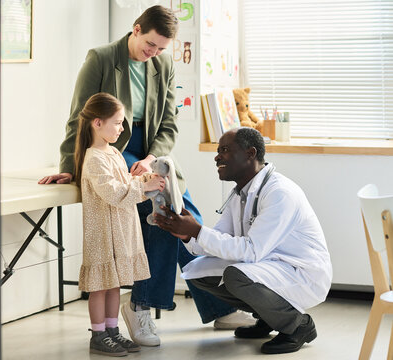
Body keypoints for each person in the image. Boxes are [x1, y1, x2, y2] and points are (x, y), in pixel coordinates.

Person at [39, 5, 254, 346]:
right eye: (150, 45)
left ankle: (214, 303)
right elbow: (78, 117)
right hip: (113, 146)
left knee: (186, 218)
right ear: (136, 29)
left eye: (161, 49)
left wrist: (153, 158)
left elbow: (169, 125)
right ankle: (144, 306)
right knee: (164, 217)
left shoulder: (164, 64)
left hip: (153, 151)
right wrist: (70, 167)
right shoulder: (101, 58)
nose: (153, 53)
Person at [154, 127, 333, 355]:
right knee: (199, 272)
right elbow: (221, 240)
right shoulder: (240, 192)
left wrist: (198, 231)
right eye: (218, 151)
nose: (217, 156)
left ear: (250, 153)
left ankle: (298, 325)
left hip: (302, 272)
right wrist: (187, 233)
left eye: (225, 150)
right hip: (271, 265)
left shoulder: (279, 192)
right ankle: (269, 318)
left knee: (235, 276)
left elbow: (251, 251)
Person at [75, 93, 166, 356]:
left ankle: (113, 331)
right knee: (100, 286)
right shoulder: (93, 158)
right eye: (117, 123)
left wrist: (146, 181)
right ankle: (98, 335)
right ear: (97, 123)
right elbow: (113, 192)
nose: (122, 128)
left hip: (120, 231)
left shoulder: (114, 152)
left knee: (114, 284)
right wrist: (142, 187)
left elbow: (125, 182)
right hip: (102, 233)